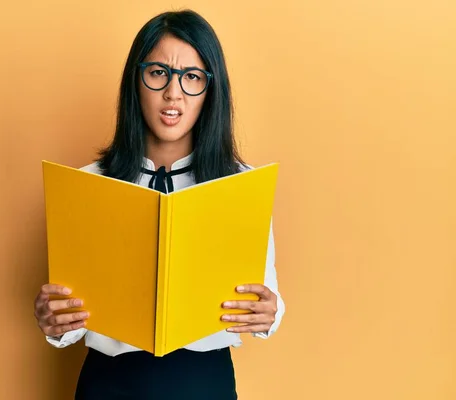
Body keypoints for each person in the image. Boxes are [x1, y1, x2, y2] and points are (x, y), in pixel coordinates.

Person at [34, 9, 285, 400]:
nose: (174, 93)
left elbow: (265, 293)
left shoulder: (240, 184)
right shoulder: (90, 182)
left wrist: (270, 313)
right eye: (158, 73)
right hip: (109, 383)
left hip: (204, 382)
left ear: (210, 90)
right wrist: (55, 322)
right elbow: (72, 318)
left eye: (192, 78)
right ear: (136, 82)